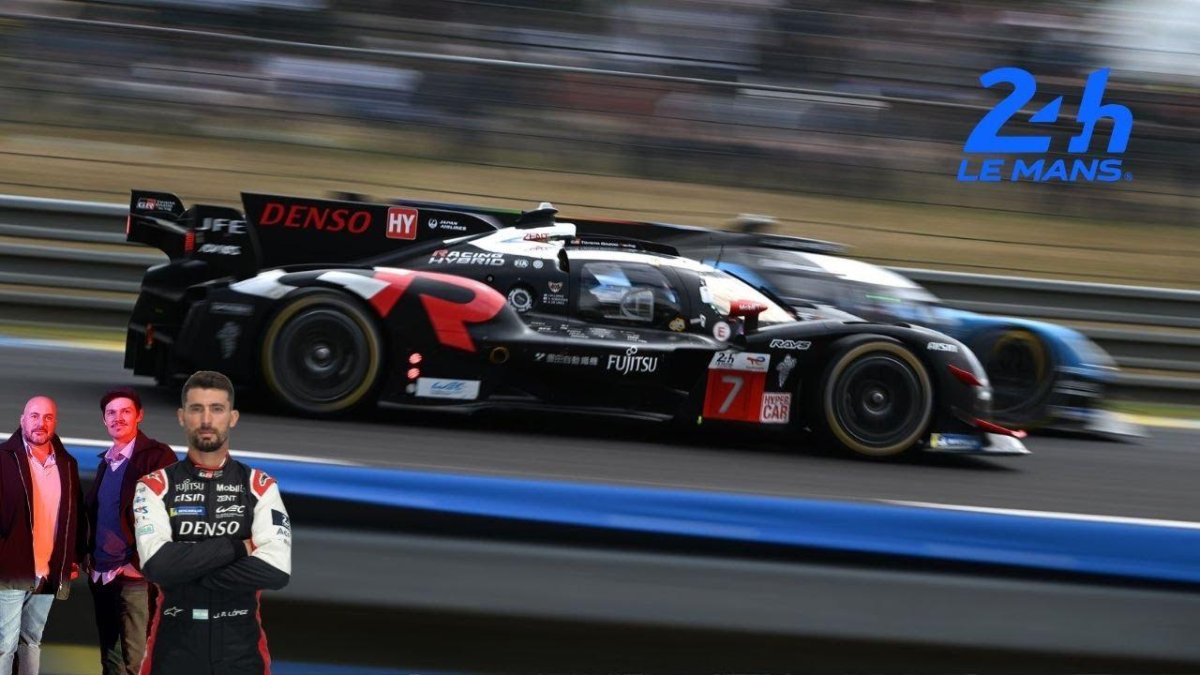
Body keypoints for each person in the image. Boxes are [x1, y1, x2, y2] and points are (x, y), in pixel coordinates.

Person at [134, 371, 291, 675]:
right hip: (175, 642)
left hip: (241, 645)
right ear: (182, 417)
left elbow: (275, 570)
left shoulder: (260, 486)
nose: (206, 420)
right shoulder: (154, 486)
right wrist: (239, 547)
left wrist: (188, 568)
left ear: (232, 417)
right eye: (196, 409)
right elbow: (157, 565)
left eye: (216, 409)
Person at [85, 387, 177, 675]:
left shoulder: (157, 457)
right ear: (104, 420)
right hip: (102, 575)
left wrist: (137, 564)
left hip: (134, 577)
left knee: (138, 662)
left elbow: (172, 513)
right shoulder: (107, 462)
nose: (118, 418)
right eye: (111, 413)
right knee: (112, 661)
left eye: (125, 411)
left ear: (139, 416)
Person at [0, 396, 84, 675]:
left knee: (31, 641)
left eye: (47, 417)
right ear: (22, 420)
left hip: (48, 571)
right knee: (4, 645)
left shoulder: (67, 464)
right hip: (10, 569)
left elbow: (75, 514)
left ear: (55, 422)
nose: (40, 423)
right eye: (34, 416)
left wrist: (72, 558)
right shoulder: (3, 459)